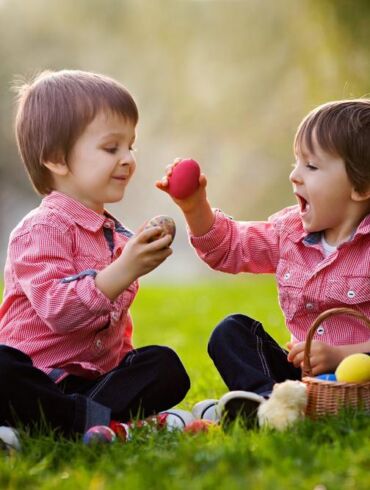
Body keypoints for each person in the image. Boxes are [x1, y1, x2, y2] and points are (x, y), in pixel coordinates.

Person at [0, 69, 191, 443]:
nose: (127, 159)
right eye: (111, 148)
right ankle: (96, 422)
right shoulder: (41, 229)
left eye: (130, 146)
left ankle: (74, 422)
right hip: (38, 375)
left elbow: (117, 332)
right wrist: (123, 270)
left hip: (91, 384)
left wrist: (128, 367)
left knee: (164, 366)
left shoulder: (115, 236)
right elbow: (58, 310)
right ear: (57, 158)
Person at [157, 99, 370, 425]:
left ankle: (267, 409)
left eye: (311, 167)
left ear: (361, 186)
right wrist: (194, 206)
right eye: (296, 162)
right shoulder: (290, 232)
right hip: (302, 380)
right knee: (231, 331)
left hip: (360, 377)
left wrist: (344, 354)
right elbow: (230, 247)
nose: (295, 176)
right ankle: (272, 405)